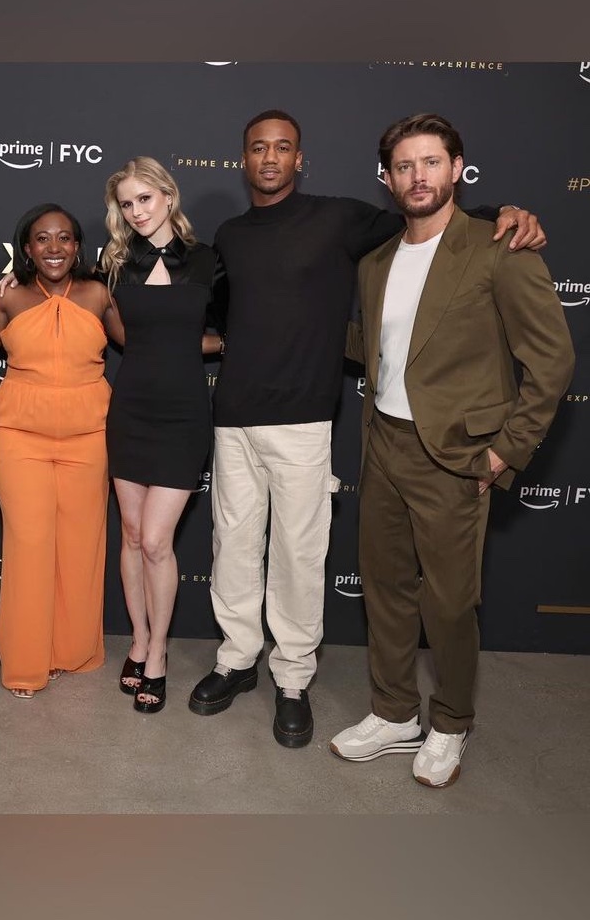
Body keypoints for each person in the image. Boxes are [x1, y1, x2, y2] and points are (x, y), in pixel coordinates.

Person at [191, 107, 547, 749]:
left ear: (301, 159)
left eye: (283, 148)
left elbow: (434, 216)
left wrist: (508, 211)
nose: (270, 158)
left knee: (299, 557)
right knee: (233, 549)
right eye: (258, 148)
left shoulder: (342, 218)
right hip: (236, 417)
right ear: (243, 159)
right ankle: (237, 657)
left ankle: (293, 677)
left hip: (305, 421)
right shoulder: (230, 234)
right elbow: (223, 319)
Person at [329, 113, 573, 786]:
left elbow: (550, 361)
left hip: (457, 456)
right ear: (386, 179)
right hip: (383, 444)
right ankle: (393, 711)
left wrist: (503, 453)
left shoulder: (499, 248)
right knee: (382, 589)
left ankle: (451, 721)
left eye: (429, 162)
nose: (416, 176)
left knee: (447, 601)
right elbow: (379, 350)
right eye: (403, 166)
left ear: (456, 168)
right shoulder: (375, 263)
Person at [99, 157, 221, 713]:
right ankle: (140, 638)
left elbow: (237, 326)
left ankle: (160, 653)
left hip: (184, 414)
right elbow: (56, 281)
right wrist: (8, 281)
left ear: (169, 196)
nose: (136, 211)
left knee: (155, 541)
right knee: (129, 534)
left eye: (145, 199)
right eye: (126, 203)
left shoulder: (209, 262)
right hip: (131, 410)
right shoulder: (115, 263)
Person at [0, 204, 121, 698]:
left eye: (64, 238)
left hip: (89, 436)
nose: (54, 248)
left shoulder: (97, 294)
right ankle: (26, 663)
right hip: (20, 436)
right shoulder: (10, 299)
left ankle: (71, 651)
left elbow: (148, 342)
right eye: (42, 239)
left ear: (78, 246)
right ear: (26, 248)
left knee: (81, 545)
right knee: (29, 545)